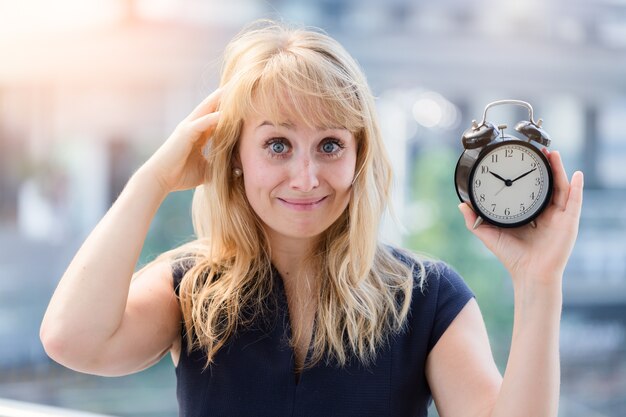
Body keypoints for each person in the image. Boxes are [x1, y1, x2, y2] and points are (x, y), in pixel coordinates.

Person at [40, 19, 584, 417]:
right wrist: (153, 179)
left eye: (329, 144)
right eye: (277, 145)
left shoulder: (427, 298)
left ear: (358, 157)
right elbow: (73, 340)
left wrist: (540, 282)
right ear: (234, 157)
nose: (305, 177)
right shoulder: (191, 288)